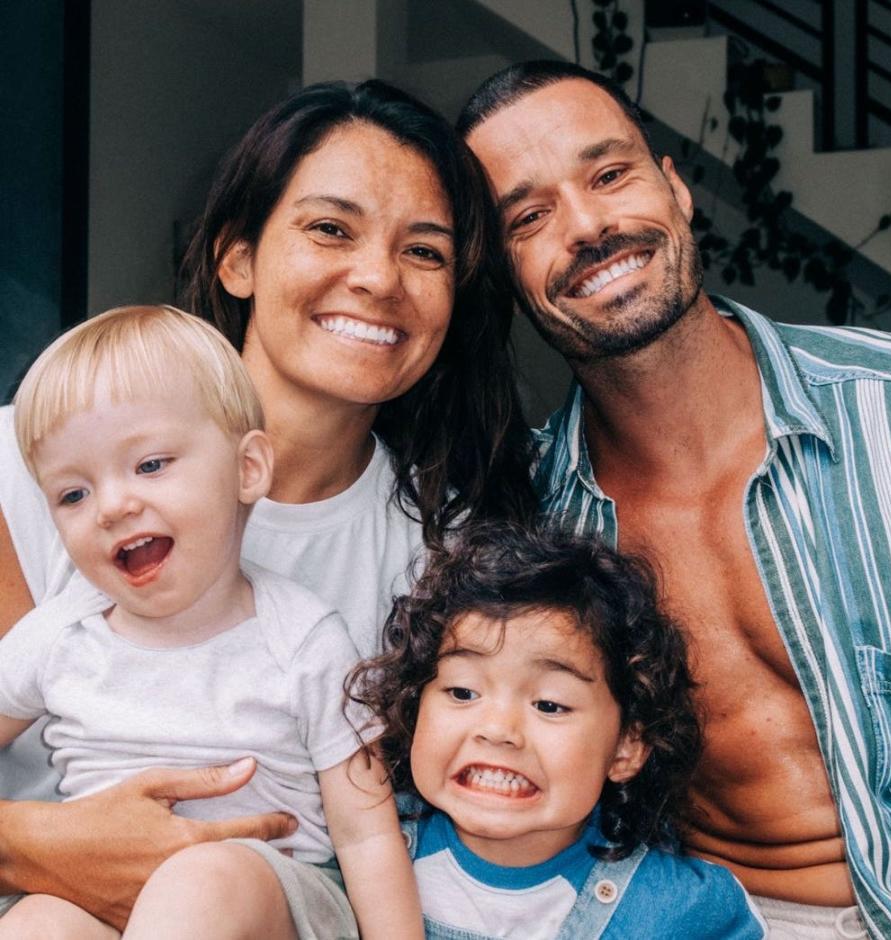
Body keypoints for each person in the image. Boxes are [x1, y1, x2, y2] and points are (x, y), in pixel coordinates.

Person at [0, 79, 535, 930]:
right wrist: (32, 841)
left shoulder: (443, 557)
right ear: (236, 256)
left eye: (424, 253)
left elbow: (389, 836)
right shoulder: (27, 466)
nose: (377, 277)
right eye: (331, 228)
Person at [458, 60, 891, 939]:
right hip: (717, 922)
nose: (588, 226)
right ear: (501, 273)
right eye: (530, 218)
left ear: (676, 188)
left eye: (610, 174)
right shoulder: (526, 528)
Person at [0, 305, 422, 940]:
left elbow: (365, 835)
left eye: (149, 465)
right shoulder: (60, 634)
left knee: (199, 883)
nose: (113, 505)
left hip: (274, 894)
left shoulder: (303, 641)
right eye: (73, 494)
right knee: (35, 922)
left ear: (248, 469)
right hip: (107, 900)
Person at [349, 521, 765, 938]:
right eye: (462, 692)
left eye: (549, 704)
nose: (497, 729)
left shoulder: (680, 910)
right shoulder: (363, 842)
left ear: (626, 747)